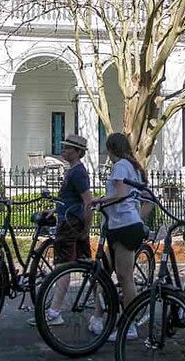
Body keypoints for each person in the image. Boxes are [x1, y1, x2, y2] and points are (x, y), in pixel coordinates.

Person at [28, 134, 93, 327]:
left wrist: (86, 229)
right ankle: (102, 304)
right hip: (72, 221)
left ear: (79, 153)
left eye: (68, 149)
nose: (63, 150)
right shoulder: (71, 171)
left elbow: (88, 202)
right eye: (64, 147)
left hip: (70, 225)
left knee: (62, 268)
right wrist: (55, 209)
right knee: (87, 266)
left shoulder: (78, 173)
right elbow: (70, 201)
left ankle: (55, 312)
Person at [89, 132, 148, 341]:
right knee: (103, 272)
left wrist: (99, 200)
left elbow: (121, 194)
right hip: (120, 224)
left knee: (124, 277)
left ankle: (129, 324)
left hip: (125, 225)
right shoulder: (132, 166)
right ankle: (98, 316)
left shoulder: (121, 166)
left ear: (111, 148)